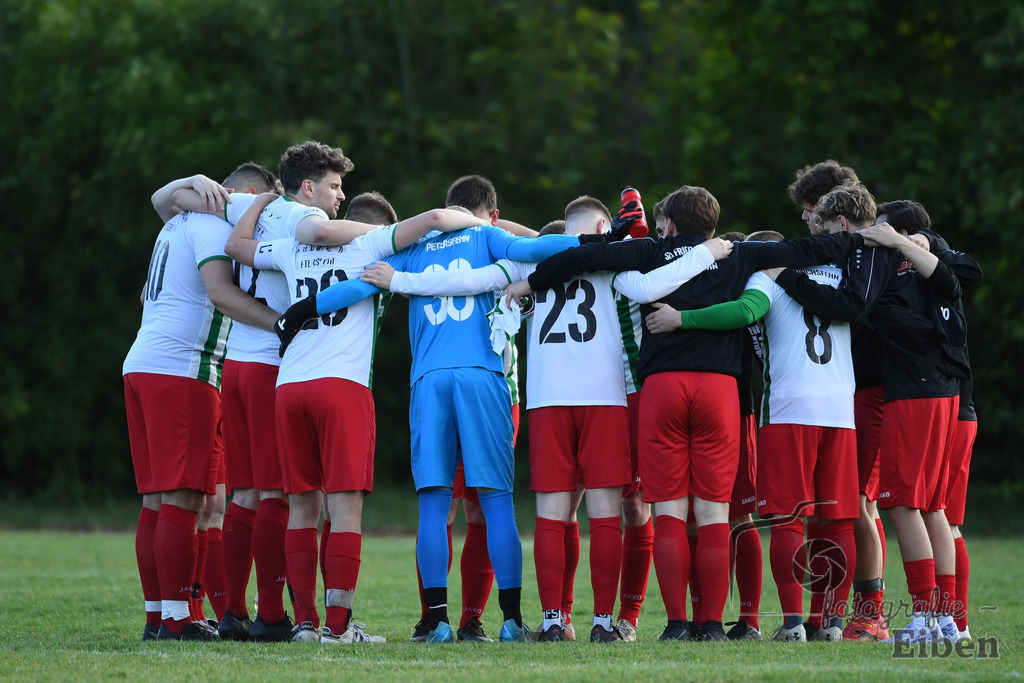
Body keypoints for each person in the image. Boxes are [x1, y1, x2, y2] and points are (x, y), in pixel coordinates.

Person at [502, 185, 868, 641]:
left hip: (661, 389)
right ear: (712, 225)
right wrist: (865, 239)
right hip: (720, 391)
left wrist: (528, 283)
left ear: (669, 224)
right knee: (716, 515)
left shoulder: (650, 250)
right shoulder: (741, 252)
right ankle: (714, 624)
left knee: (670, 513)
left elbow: (578, 258)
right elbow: (812, 247)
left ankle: (676, 623)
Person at [274, 176, 623, 644]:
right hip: (482, 376)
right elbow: (543, 248)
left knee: (435, 504)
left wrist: (302, 310)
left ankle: (436, 621)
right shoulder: (489, 236)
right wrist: (597, 239)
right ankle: (510, 621)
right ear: (489, 212)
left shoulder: (414, 248)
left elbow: (358, 287)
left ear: (448, 207)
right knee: (496, 500)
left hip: (430, 380)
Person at [225, 189, 488, 644]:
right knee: (344, 510)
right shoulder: (375, 243)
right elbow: (431, 220)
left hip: (289, 385)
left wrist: (261, 200)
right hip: (342, 386)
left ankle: (304, 623)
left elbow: (236, 248)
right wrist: (487, 230)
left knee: (302, 508)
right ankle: (339, 628)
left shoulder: (293, 246)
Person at [166, 142, 369, 642]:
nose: (340, 195)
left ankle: (234, 608)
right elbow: (322, 235)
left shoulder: (254, 203)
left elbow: (170, 202)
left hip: (236, 362)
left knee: (246, 493)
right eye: (335, 185)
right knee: (281, 494)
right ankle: (273, 614)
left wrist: (232, 197)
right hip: (270, 366)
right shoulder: (298, 216)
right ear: (307, 186)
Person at [774, 186, 981, 643]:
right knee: (933, 509)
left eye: (821, 222)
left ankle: (928, 617)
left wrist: (784, 274)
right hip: (942, 390)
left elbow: (851, 304)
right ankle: (950, 621)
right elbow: (955, 278)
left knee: (902, 504)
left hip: (914, 391)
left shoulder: (892, 261)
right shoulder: (921, 265)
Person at [648, 226, 860, 643]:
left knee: (787, 518)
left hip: (788, 408)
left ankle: (793, 622)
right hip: (841, 410)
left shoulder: (768, 275)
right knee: (837, 522)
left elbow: (744, 312)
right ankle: (828, 622)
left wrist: (681, 318)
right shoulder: (839, 273)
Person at [126, 167, 281, 641]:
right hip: (182, 367)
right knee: (184, 497)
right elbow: (219, 291)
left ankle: (162, 615)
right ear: (245, 196)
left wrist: (185, 182)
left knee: (160, 500)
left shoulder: (177, 218)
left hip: (145, 363)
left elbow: (160, 199)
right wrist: (283, 323)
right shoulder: (215, 221)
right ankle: (176, 619)